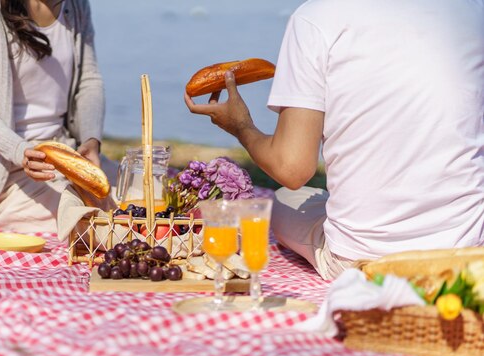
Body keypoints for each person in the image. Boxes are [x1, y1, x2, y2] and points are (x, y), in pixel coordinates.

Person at [185, 0, 484, 280]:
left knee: (281, 200)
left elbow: (292, 168)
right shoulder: (469, 11)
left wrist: (241, 126)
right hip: (466, 252)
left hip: (365, 259)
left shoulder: (316, 19)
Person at [0, 0, 116, 234]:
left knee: (148, 196)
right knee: (93, 221)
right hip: (9, 171)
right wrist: (21, 152)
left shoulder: (77, 5)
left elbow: (88, 80)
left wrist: (91, 140)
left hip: (65, 154)